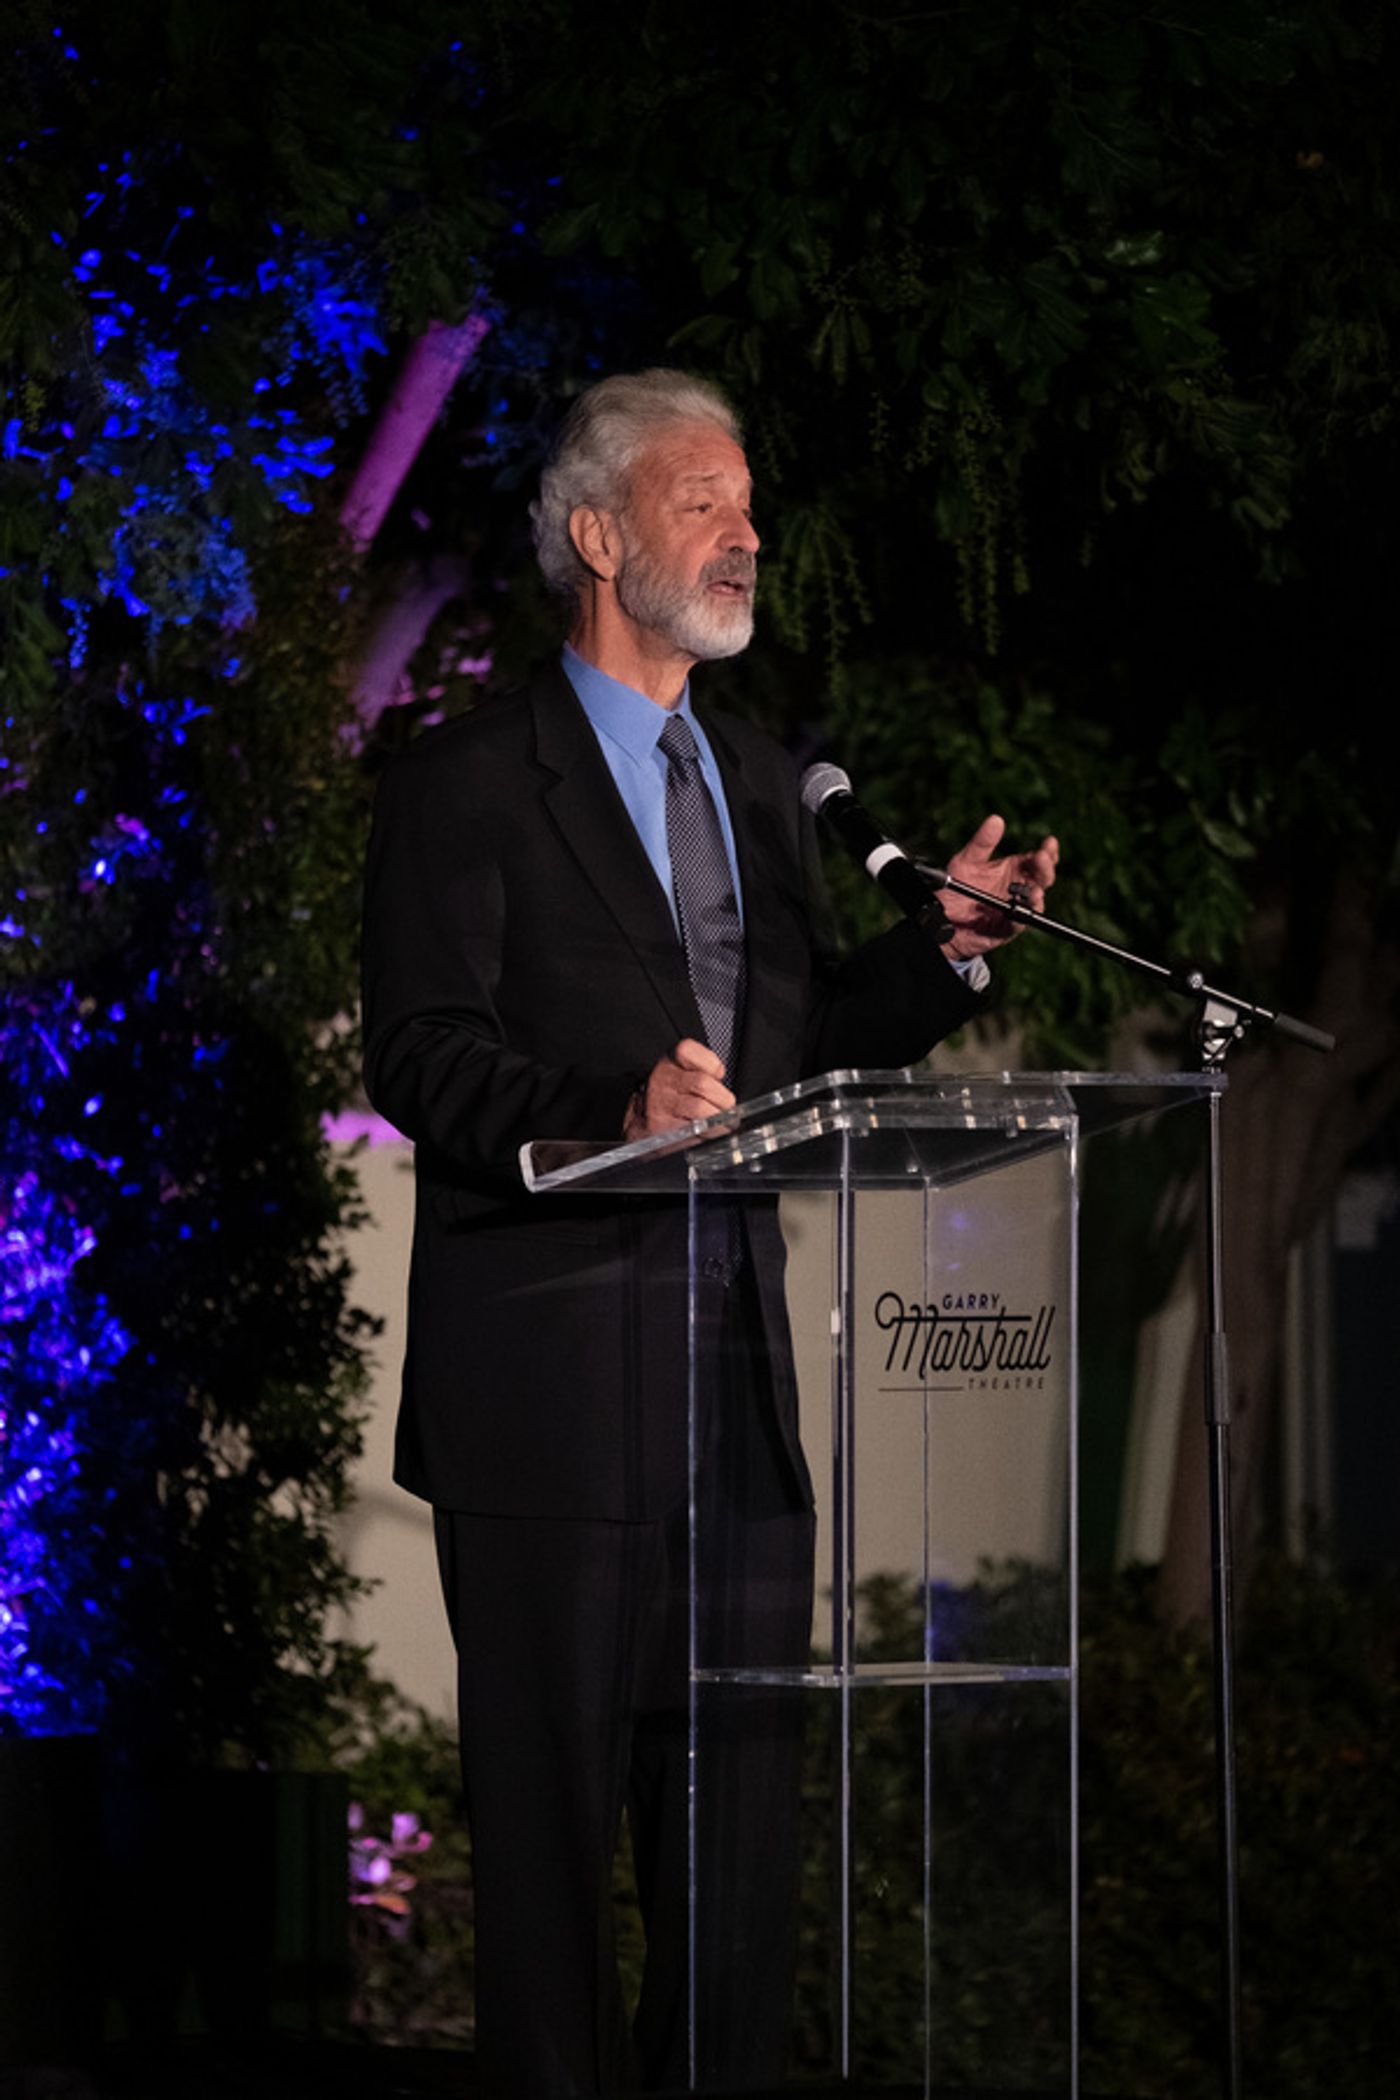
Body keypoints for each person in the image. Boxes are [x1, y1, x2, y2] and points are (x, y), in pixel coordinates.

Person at [361, 368, 1058, 2097]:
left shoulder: (763, 785)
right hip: (547, 1405)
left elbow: (799, 1056)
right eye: (704, 504)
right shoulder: (465, 782)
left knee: (735, 1873)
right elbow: (419, 1058)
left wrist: (948, 955)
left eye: (751, 507)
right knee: (552, 1876)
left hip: (737, 1393)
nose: (748, 537)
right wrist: (610, 1110)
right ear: (600, 535)